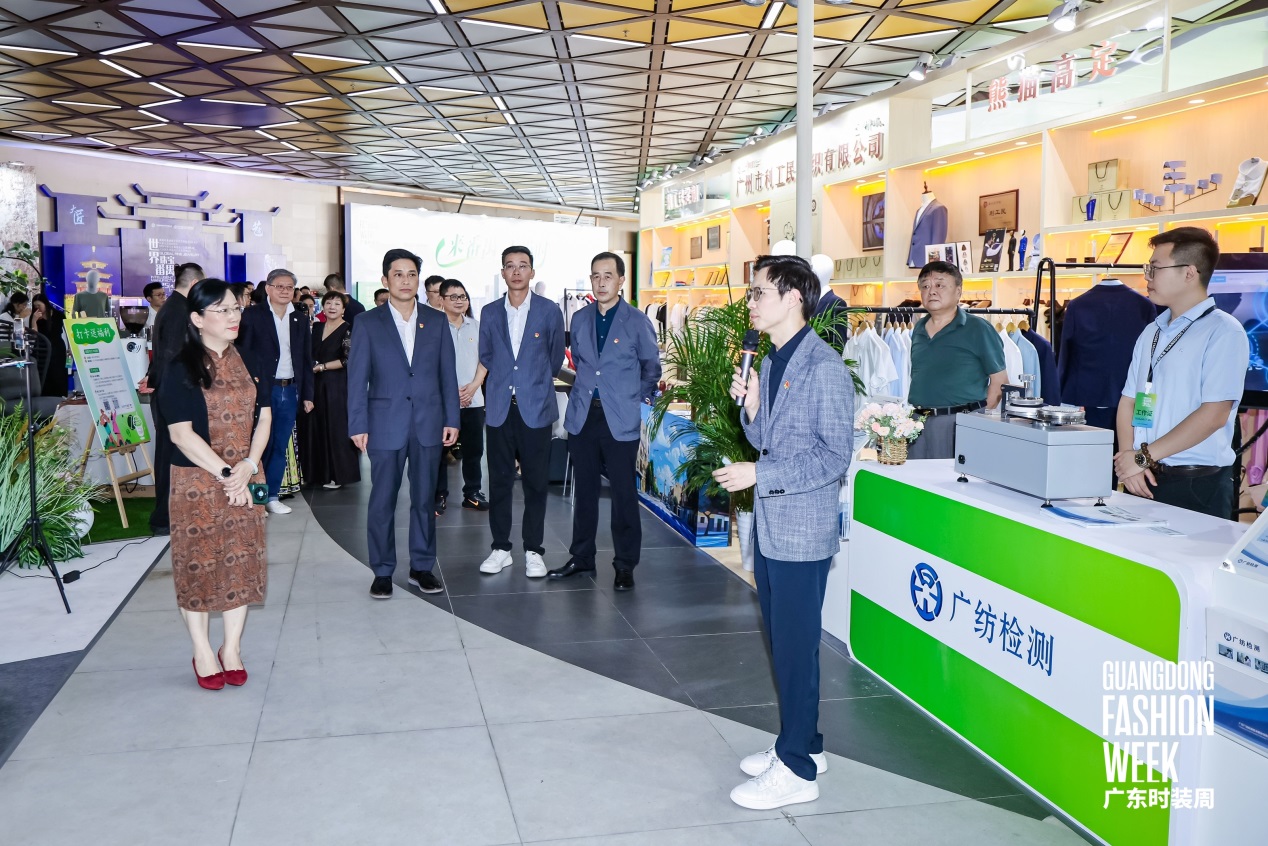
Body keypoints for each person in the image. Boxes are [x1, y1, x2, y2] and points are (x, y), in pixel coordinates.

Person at [714, 254, 855, 810]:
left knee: (795, 648)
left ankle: (796, 770)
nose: (751, 303)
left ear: (794, 298)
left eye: (759, 293)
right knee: (785, 642)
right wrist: (751, 408)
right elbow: (767, 439)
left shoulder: (824, 366)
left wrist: (759, 474)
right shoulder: (774, 362)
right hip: (774, 527)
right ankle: (806, 744)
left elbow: (832, 457)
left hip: (801, 529)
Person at [157, 278, 271, 690]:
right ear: (197, 318)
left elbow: (265, 417)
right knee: (199, 563)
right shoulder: (179, 366)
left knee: (244, 561)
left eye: (235, 308)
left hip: (249, 475)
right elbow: (181, 434)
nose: (233, 316)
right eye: (222, 310)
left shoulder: (253, 359)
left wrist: (248, 466)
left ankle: (232, 648)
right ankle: (203, 650)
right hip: (197, 480)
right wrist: (227, 474)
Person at [1114, 227, 1250, 518]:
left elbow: (1214, 414)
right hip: (1144, 476)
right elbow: (1129, 400)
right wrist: (1129, 461)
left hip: (1196, 484)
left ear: (1189, 273)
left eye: (1155, 268)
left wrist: (1141, 457)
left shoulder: (1224, 331)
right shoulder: (1152, 331)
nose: (1148, 277)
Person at [347, 248, 459, 598]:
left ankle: (422, 567)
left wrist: (451, 417)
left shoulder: (436, 320)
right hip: (384, 423)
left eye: (412, 274)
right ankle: (382, 570)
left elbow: (447, 373)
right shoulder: (368, 322)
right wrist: (357, 423)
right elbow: (357, 378)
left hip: (428, 422)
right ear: (385, 280)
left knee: (425, 500)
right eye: (398, 274)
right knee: (382, 500)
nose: (405, 280)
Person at [549, 252, 660, 590]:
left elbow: (651, 368)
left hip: (620, 418)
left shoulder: (637, 321)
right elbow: (582, 365)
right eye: (596, 276)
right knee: (584, 492)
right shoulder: (580, 318)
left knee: (623, 495)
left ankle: (625, 564)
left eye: (608, 276)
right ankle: (582, 557)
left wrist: (634, 400)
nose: (601, 282)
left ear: (621, 280)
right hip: (583, 416)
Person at [477, 246, 565, 578]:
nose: (516, 272)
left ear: (532, 272)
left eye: (522, 266)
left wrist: (531, 381)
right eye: (510, 266)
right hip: (499, 408)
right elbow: (487, 354)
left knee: (535, 483)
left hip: (536, 408)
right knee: (499, 481)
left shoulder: (549, 310)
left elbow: (555, 357)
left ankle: (533, 550)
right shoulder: (489, 312)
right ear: (502, 273)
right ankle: (501, 548)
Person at [906, 260, 1007, 459]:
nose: (931, 291)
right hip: (917, 422)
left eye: (940, 285)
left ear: (958, 292)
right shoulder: (918, 328)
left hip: (958, 421)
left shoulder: (978, 328)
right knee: (914, 477)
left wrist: (975, 422)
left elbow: (1000, 382)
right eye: (925, 286)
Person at [236, 268, 314, 515]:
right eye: (279, 286)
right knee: (260, 446)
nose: (285, 291)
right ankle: (256, 499)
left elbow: (306, 359)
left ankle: (271, 496)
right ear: (268, 289)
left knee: (280, 445)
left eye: (289, 287)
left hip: (289, 390)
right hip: (262, 390)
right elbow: (242, 353)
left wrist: (308, 394)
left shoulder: (299, 318)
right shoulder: (252, 315)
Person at [146, 262, 204, 535]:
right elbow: (172, 355)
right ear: (194, 284)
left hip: (169, 390)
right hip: (174, 393)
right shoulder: (179, 310)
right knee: (171, 455)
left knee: (171, 453)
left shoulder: (173, 307)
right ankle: (165, 517)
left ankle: (170, 516)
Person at [436, 279, 489, 513]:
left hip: (473, 399)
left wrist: (474, 387)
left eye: (463, 296)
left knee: (474, 450)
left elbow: (485, 359)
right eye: (453, 297)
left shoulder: (477, 327)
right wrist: (450, 393)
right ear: (442, 300)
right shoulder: (434, 328)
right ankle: (439, 494)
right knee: (439, 451)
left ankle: (472, 493)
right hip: (442, 401)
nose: (459, 301)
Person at [308, 292, 360, 490]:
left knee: (336, 427)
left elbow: (348, 359)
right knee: (316, 426)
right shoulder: (316, 327)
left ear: (343, 309)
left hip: (337, 384)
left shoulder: (349, 329)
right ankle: (317, 473)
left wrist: (322, 367)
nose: (332, 307)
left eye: (337, 304)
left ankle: (337, 475)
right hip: (315, 383)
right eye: (328, 303)